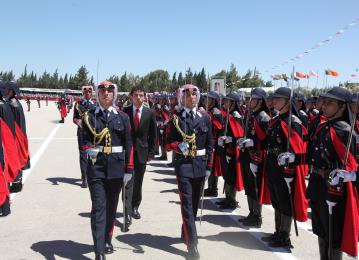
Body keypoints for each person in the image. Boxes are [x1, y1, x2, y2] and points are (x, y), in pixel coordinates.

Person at [81, 81, 134, 260]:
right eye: (102, 91)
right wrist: (90, 149)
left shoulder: (122, 117)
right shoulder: (89, 116)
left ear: (114, 95)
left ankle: (107, 239)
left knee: (111, 208)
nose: (106, 94)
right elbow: (83, 142)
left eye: (110, 91)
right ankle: (99, 251)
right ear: (97, 94)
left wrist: (129, 169)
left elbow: (128, 144)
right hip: (96, 168)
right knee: (99, 207)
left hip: (117, 169)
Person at [305, 87, 358, 259]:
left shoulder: (345, 131)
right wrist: (293, 158)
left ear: (342, 107)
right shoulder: (323, 126)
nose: (324, 106)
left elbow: (351, 165)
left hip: (334, 189)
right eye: (324, 102)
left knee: (333, 235)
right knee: (321, 230)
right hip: (317, 183)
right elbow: (311, 155)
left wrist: (348, 176)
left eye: (330, 103)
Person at [165, 84, 213, 260]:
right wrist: (178, 146)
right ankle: (192, 244)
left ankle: (184, 231)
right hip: (184, 165)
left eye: (194, 94)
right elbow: (167, 143)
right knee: (186, 204)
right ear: (181, 98)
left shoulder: (205, 118)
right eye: (187, 94)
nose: (191, 97)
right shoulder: (176, 119)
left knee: (193, 204)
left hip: (200, 165)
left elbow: (210, 145)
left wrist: (209, 167)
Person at [262, 87, 308, 248]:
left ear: (288, 101)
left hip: (285, 168)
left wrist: (289, 169)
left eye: (278, 98)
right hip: (273, 163)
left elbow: (296, 149)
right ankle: (277, 231)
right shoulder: (276, 119)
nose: (274, 101)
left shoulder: (292, 121)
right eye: (274, 98)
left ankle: (284, 236)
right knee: (276, 199)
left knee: (284, 201)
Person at [123, 85, 157, 223]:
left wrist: (152, 152)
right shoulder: (124, 112)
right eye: (136, 95)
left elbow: (153, 135)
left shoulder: (150, 113)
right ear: (131, 97)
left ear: (144, 97)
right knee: (127, 182)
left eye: (141, 95)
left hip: (142, 153)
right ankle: (127, 211)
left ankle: (135, 206)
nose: (139, 98)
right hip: (127, 153)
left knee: (138, 182)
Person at [237, 88, 271, 227]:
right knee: (249, 186)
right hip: (247, 155)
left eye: (253, 99)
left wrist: (254, 143)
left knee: (256, 187)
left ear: (260, 101)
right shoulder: (251, 115)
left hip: (256, 157)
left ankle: (257, 216)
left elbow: (267, 141)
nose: (250, 101)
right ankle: (252, 213)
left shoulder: (263, 117)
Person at [4, 81, 30, 193]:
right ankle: (17, 182)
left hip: (15, 134)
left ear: (11, 91)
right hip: (20, 133)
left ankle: (16, 183)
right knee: (18, 158)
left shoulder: (11, 104)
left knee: (15, 158)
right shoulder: (16, 103)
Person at [73, 85, 96, 188]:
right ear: (83, 93)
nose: (87, 93)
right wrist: (79, 122)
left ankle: (92, 175)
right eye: (85, 92)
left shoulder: (96, 104)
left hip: (93, 134)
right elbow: (74, 118)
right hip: (82, 133)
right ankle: (84, 178)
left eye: (89, 92)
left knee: (93, 155)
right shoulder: (78, 104)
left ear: (92, 93)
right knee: (83, 156)